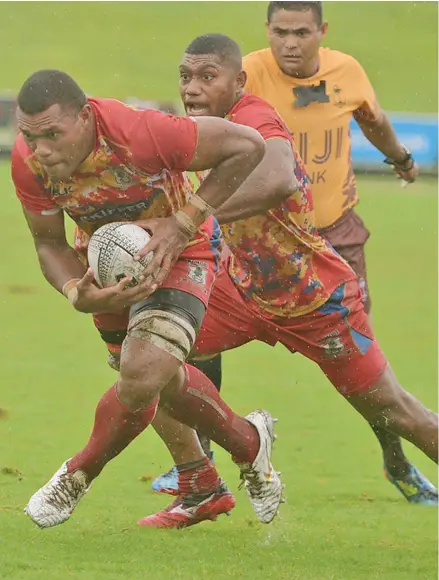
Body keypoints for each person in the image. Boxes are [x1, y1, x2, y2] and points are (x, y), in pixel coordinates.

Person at [143, 33, 437, 525]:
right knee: (146, 358)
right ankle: (200, 483)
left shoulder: (254, 116)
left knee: (395, 410)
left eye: (206, 77)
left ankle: (399, 465)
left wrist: (189, 220)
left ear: (238, 82)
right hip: (241, 291)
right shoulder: (193, 130)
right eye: (185, 77)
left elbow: (277, 178)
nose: (192, 88)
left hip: (314, 298)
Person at [12, 69, 285, 529]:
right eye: (29, 136)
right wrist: (77, 291)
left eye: (53, 135)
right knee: (157, 379)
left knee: (140, 377)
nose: (40, 150)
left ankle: (77, 474)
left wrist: (183, 223)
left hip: (183, 253)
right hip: (107, 268)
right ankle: (233, 455)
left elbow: (248, 146)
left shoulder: (140, 133)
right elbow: (48, 244)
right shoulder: (29, 161)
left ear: (84, 118)